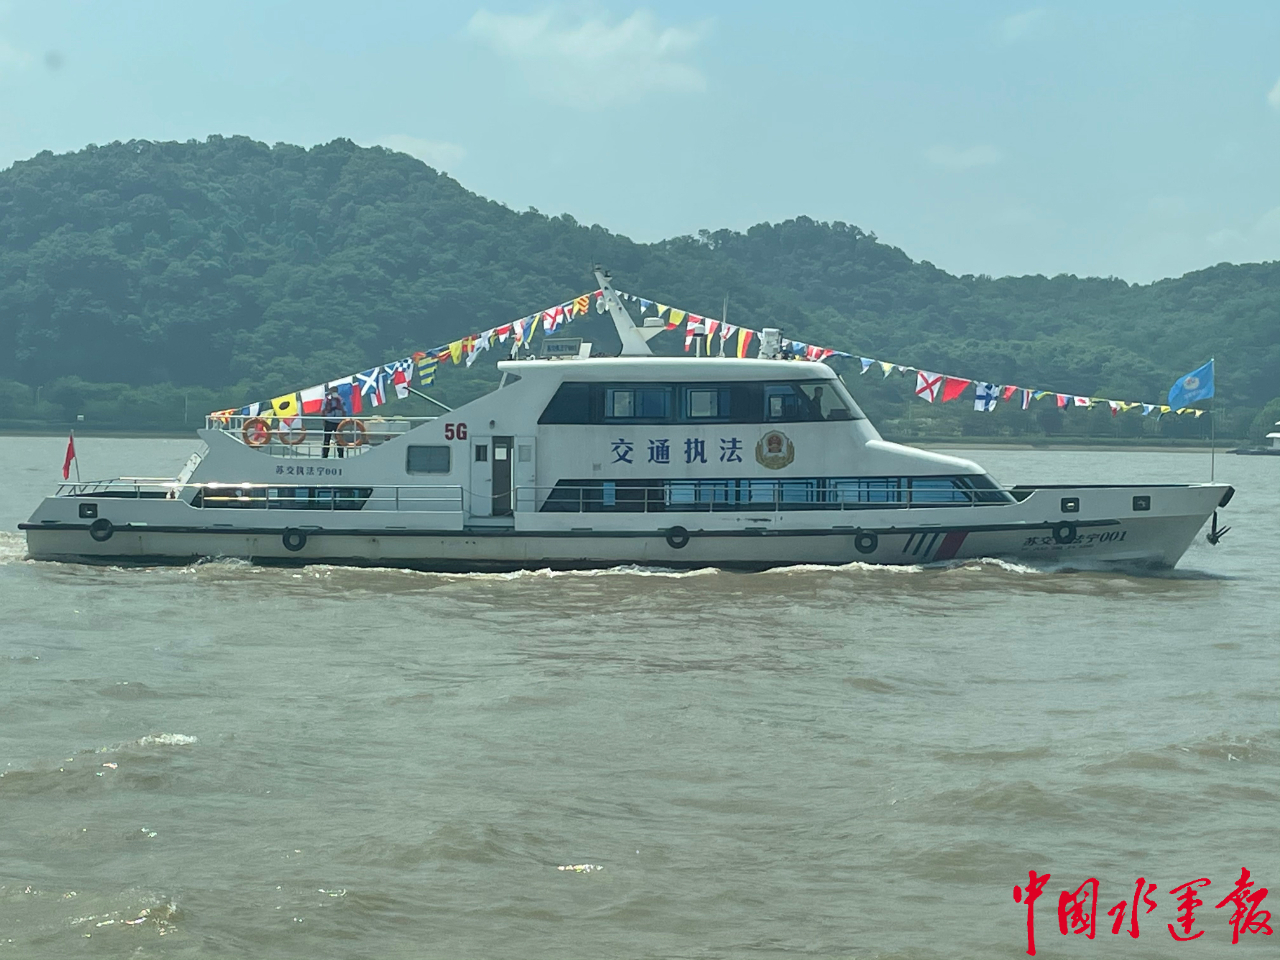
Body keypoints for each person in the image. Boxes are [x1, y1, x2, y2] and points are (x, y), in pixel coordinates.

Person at [321, 387, 347, 458]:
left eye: (335, 391)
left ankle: (341, 455)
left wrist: (343, 421)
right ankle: (324, 455)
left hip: (338, 422)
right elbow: (323, 411)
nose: (334, 392)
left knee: (339, 439)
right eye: (333, 391)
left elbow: (344, 410)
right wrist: (324, 420)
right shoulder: (326, 400)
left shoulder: (340, 400)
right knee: (327, 439)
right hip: (329, 421)